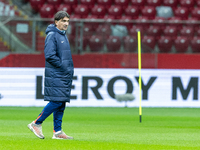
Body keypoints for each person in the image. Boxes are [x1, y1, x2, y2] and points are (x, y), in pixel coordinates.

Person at [28, 11, 74, 140]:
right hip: (56, 74)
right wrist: (63, 67)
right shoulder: (52, 35)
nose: (66, 24)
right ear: (56, 22)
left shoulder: (62, 35)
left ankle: (57, 132)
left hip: (63, 75)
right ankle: (36, 123)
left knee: (61, 102)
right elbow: (49, 55)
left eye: (67, 21)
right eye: (63, 21)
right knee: (56, 101)